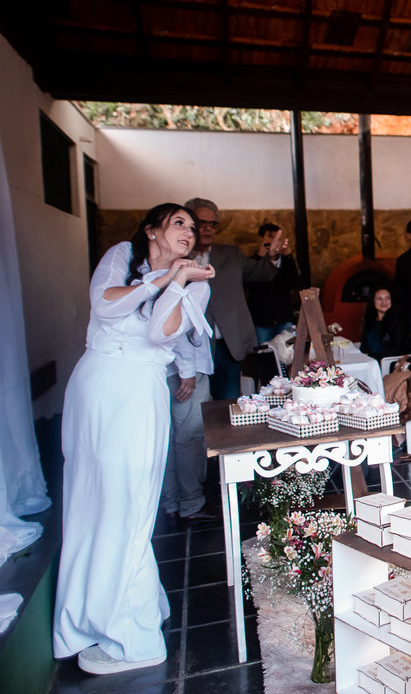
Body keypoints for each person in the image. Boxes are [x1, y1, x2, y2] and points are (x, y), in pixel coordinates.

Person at [54, 204, 214, 675]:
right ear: (151, 230)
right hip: (93, 385)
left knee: (125, 504)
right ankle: (110, 611)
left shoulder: (197, 282)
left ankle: (134, 636)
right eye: (178, 223)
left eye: (193, 226)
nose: (189, 232)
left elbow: (157, 330)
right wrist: (157, 279)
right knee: (90, 501)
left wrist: (180, 281)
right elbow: (103, 304)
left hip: (136, 393)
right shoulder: (122, 255)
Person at [185, 198, 284, 400]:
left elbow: (259, 273)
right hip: (191, 346)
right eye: (201, 223)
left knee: (227, 401)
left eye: (212, 224)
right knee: (195, 405)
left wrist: (272, 256)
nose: (207, 228)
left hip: (227, 343)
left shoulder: (230, 254)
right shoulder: (178, 257)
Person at [162, 318, 218, 525]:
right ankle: (191, 504)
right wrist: (187, 370)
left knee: (169, 440)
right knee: (189, 437)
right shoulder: (182, 285)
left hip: (163, 367)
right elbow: (179, 325)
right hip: (184, 369)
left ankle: (173, 502)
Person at [245, 222, 301, 345]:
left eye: (278, 237)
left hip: (283, 316)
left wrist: (288, 257)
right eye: (270, 236)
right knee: (264, 355)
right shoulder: (251, 262)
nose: (275, 240)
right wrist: (261, 257)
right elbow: (248, 284)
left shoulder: (283, 261)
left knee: (287, 354)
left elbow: (295, 283)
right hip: (261, 319)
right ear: (261, 238)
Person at [361, 285, 411, 360]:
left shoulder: (399, 319)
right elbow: (364, 345)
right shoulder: (370, 319)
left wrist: (372, 356)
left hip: (387, 362)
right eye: (379, 299)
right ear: (373, 301)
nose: (384, 302)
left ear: (391, 300)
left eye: (387, 298)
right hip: (370, 360)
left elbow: (399, 349)